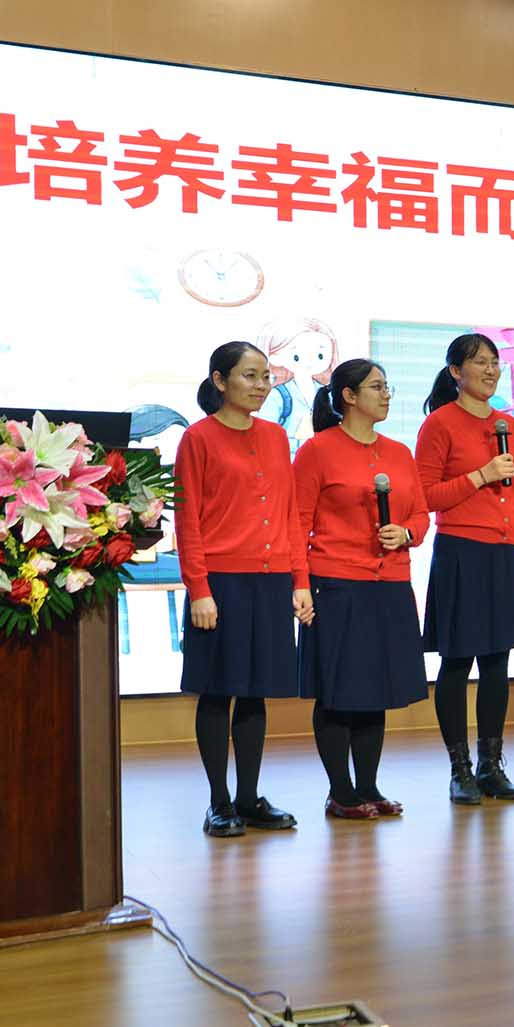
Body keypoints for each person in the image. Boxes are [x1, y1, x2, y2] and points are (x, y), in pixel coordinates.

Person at [177, 341, 312, 838]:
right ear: (220, 380)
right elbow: (188, 521)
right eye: (249, 376)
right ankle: (218, 802)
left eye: (265, 377)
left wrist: (300, 580)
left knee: (256, 693)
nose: (260, 386)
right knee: (218, 692)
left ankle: (249, 798)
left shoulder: (276, 437)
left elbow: (289, 514)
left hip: (271, 580)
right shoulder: (197, 438)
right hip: (221, 583)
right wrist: (199, 588)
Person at [294, 359, 430, 818]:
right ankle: (340, 791)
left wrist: (406, 533)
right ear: (349, 396)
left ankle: (368, 786)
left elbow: (421, 514)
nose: (386, 394)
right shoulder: (317, 450)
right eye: (376, 387)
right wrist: (300, 585)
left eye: (387, 386)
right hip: (336, 583)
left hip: (390, 583)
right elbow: (298, 523)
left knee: (377, 688)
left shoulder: (400, 452)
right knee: (338, 689)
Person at [414, 332, 514, 806]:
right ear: (455, 372)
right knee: (458, 661)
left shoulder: (512, 427)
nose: (490, 370)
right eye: (479, 362)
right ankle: (459, 768)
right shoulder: (440, 424)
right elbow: (425, 496)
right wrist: (480, 476)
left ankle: (491, 765)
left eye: (495, 362)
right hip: (462, 550)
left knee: (498, 662)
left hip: (506, 552)